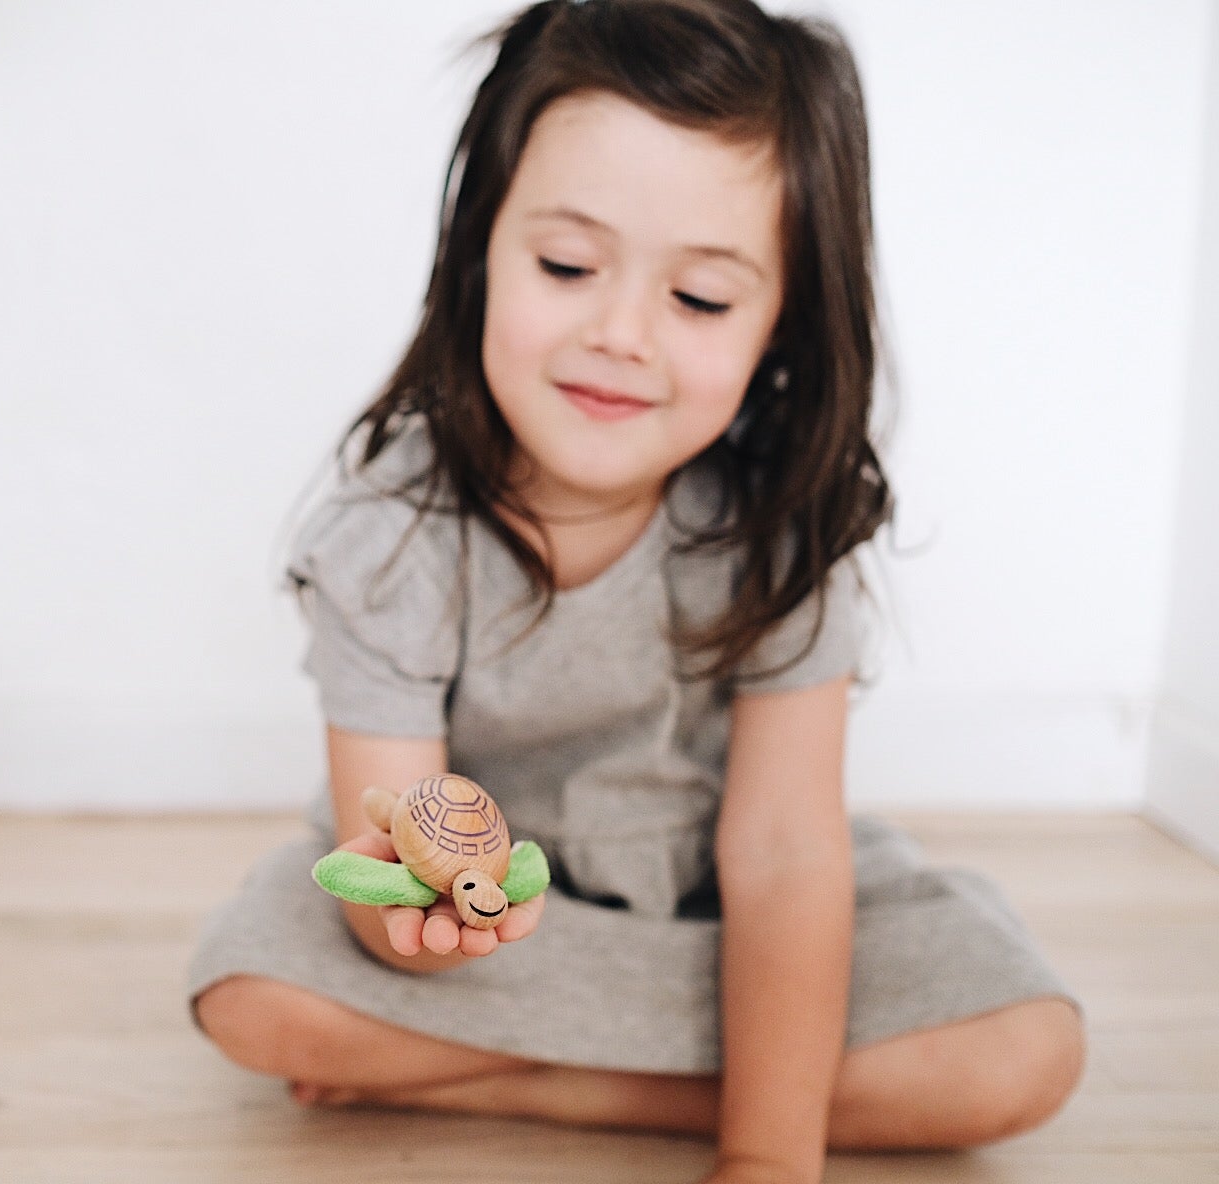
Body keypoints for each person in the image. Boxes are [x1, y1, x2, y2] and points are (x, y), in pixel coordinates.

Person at [187, 2, 1085, 1180]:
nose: (620, 333)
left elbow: (781, 854)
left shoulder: (779, 534)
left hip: (729, 913)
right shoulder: (386, 541)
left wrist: (766, 1155)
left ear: (779, 326)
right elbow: (391, 869)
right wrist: (428, 919)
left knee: (1025, 1052)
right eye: (567, 266)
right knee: (255, 997)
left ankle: (568, 1084)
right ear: (481, 249)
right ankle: (684, 1076)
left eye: (700, 299)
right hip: (518, 930)